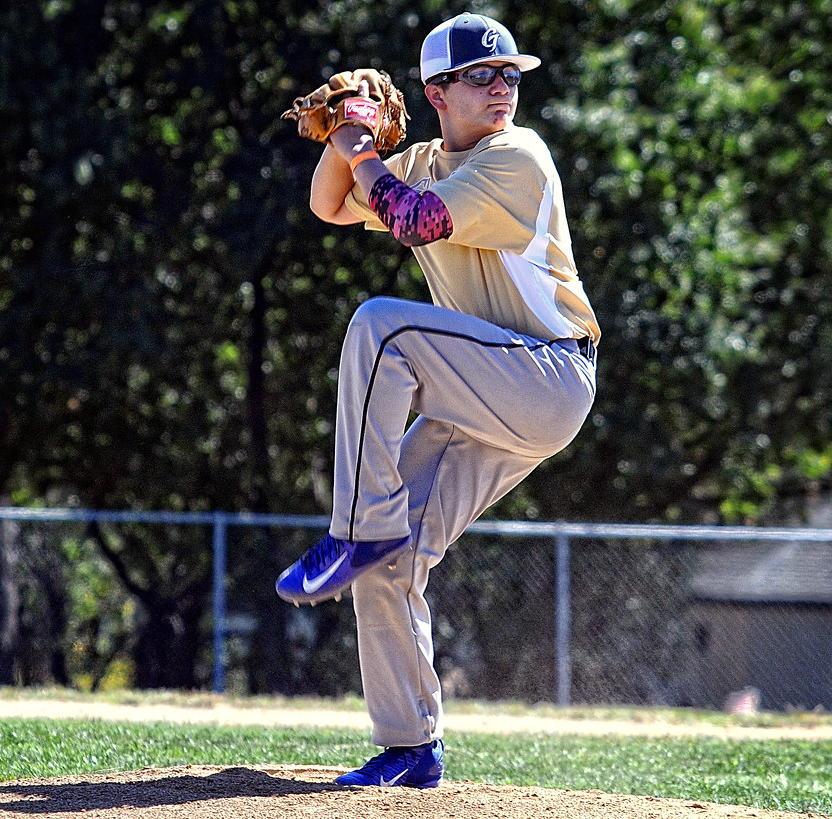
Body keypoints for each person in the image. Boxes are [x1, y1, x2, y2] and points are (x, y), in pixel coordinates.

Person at [275, 12, 600, 787]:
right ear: (436, 92)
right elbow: (329, 204)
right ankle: (412, 744)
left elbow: (415, 219)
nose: (502, 88)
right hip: (482, 393)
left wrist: (362, 152)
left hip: (549, 376)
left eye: (511, 75)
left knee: (382, 329)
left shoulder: (518, 155)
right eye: (483, 76)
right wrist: (343, 137)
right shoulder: (419, 157)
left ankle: (356, 526)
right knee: (392, 564)